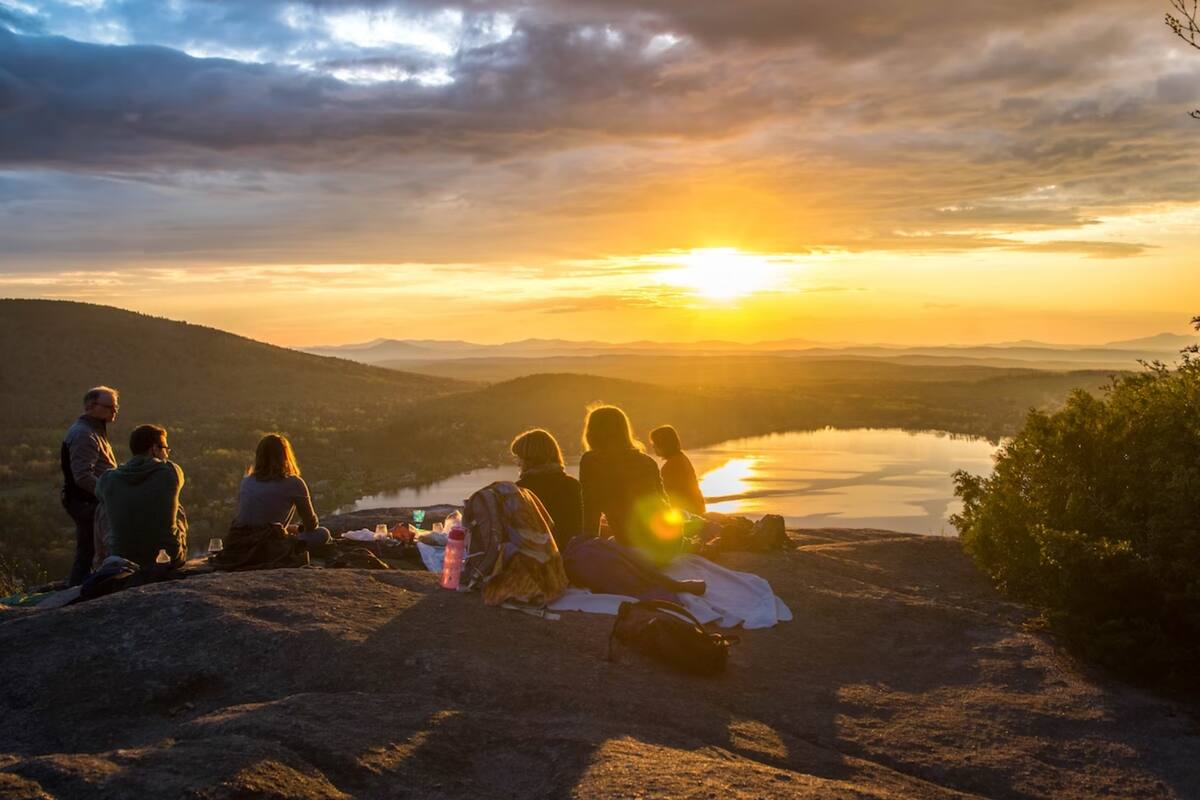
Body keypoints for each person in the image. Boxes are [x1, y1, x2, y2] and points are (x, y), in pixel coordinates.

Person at [578, 405, 671, 554]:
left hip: (633, 542)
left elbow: (591, 509)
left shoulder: (592, 461)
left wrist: (588, 548)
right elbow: (664, 502)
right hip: (667, 539)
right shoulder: (647, 461)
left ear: (592, 433)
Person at [96, 424, 187, 572]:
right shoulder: (171, 472)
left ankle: (100, 562)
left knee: (102, 507)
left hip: (122, 559)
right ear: (154, 449)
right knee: (178, 507)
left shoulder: (107, 478)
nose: (167, 453)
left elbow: (100, 494)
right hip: (167, 558)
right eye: (165, 448)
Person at [60, 386, 119, 585]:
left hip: (89, 500)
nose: (115, 411)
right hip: (87, 502)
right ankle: (77, 591)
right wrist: (108, 494)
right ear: (90, 406)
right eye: (110, 406)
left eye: (116, 406)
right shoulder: (84, 434)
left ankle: (80, 588)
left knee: (91, 548)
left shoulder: (94, 430)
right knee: (89, 548)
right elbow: (83, 476)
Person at [232, 434, 330, 546]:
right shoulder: (294, 483)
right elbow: (311, 525)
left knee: (290, 530)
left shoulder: (246, 481)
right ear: (285, 456)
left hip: (239, 543)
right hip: (268, 545)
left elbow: (254, 520)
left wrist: (292, 529)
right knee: (322, 534)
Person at [511, 428, 583, 548]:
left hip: (537, 560)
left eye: (519, 458)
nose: (518, 464)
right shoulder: (573, 485)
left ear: (529, 459)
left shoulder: (521, 491)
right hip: (573, 556)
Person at [650, 425, 707, 516]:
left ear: (663, 445)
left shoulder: (670, 466)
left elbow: (666, 495)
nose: (652, 447)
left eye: (654, 444)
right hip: (697, 508)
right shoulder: (682, 458)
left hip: (687, 513)